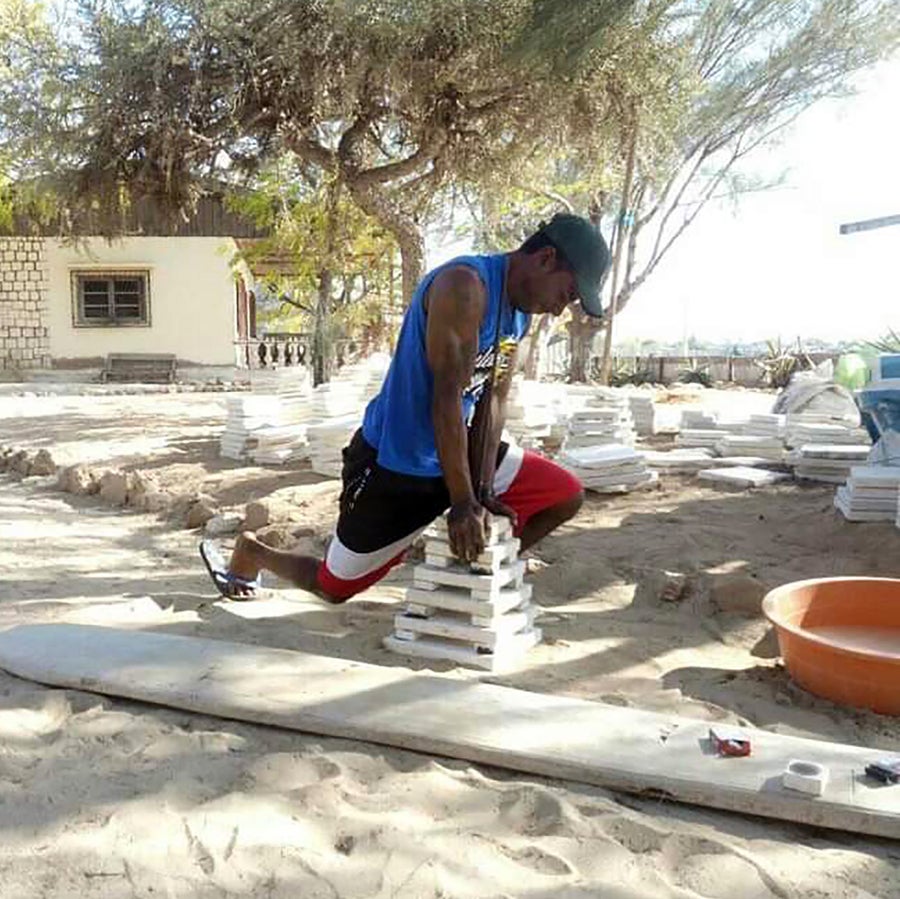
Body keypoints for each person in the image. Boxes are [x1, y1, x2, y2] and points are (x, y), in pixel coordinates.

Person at [200, 213, 611, 602]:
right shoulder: (464, 287)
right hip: (396, 464)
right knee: (333, 588)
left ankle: (472, 577)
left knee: (564, 495)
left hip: (456, 458)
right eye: (567, 293)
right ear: (545, 258)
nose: (560, 308)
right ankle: (252, 552)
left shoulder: (518, 316)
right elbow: (445, 396)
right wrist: (463, 500)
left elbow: (493, 399)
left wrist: (482, 491)